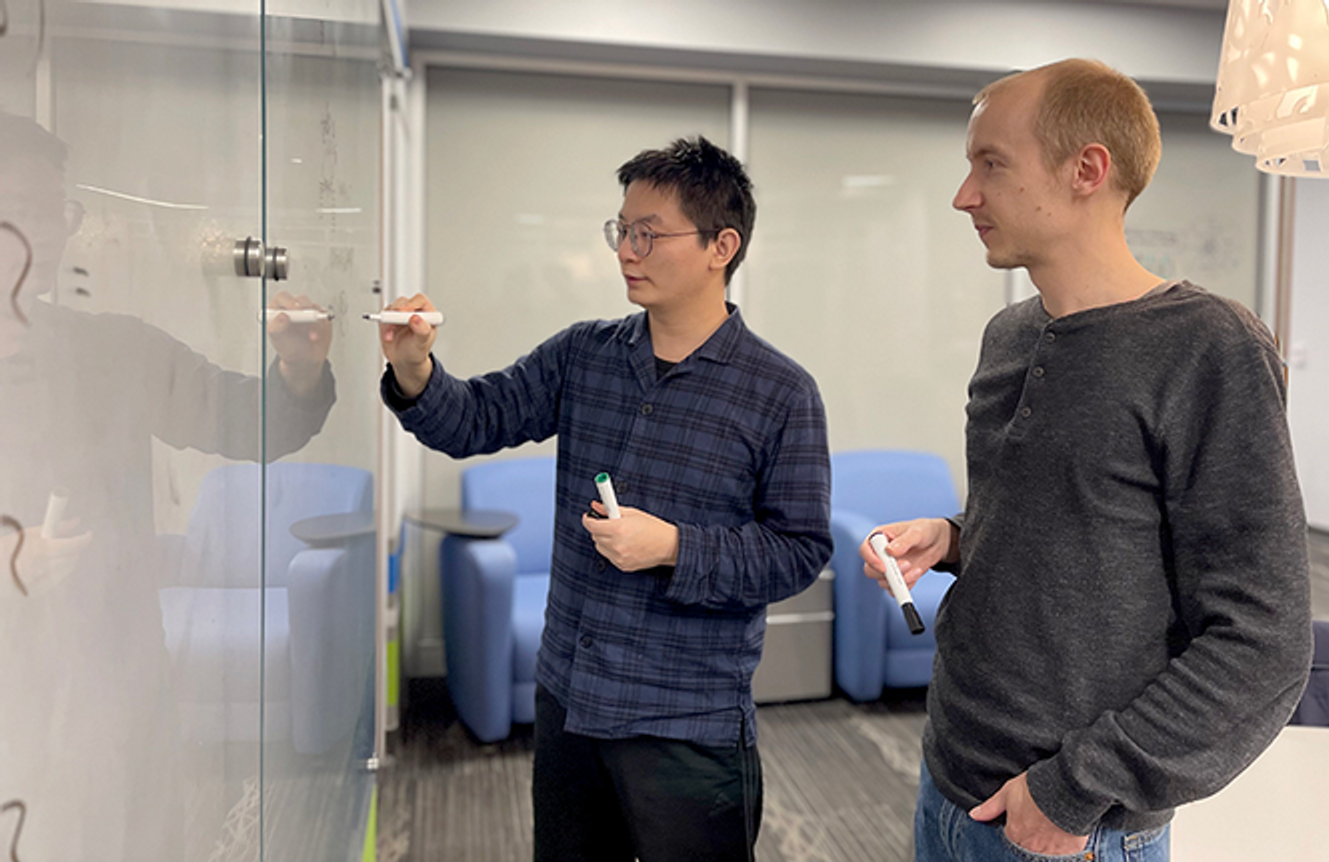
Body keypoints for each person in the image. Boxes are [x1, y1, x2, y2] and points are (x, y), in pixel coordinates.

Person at [859, 59, 1312, 862]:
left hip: (1072, 826)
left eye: (990, 164)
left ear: (1087, 170)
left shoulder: (1209, 348)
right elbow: (1086, 522)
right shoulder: (1011, 337)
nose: (965, 195)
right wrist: (957, 535)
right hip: (947, 776)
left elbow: (1264, 640)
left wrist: (1075, 789)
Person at [378, 136, 832, 861]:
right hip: (571, 697)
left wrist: (675, 547)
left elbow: (799, 551)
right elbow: (475, 419)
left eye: (650, 233)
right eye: (623, 229)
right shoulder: (585, 354)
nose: (627, 249)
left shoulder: (780, 393)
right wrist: (414, 367)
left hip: (686, 718)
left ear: (722, 245)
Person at [0, 110, 336, 860]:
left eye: (56, 213)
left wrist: (300, 369)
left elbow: (251, 421)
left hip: (117, 686)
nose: (49, 235)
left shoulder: (112, 350)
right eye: (21, 214)